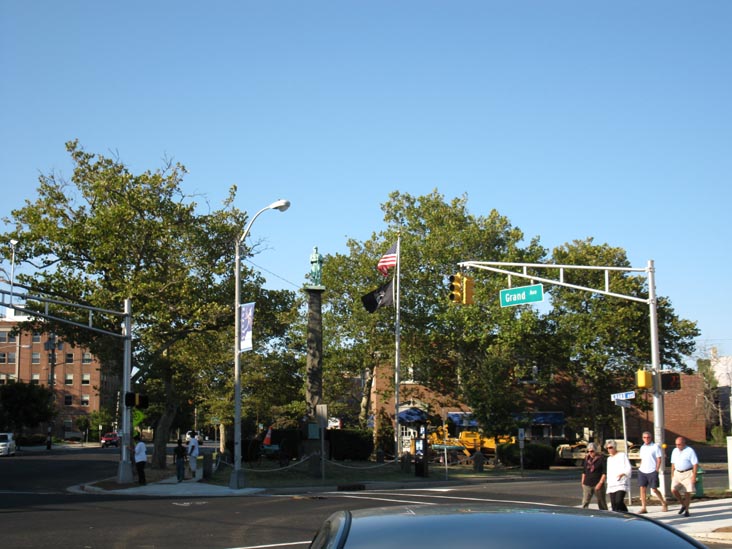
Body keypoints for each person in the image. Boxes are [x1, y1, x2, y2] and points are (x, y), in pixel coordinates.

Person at [637, 431, 668, 513]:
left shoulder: (655, 447)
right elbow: (642, 459)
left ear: (651, 438)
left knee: (654, 489)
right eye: (644, 437)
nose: (646, 439)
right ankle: (644, 507)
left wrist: (656, 469)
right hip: (642, 470)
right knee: (642, 488)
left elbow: (659, 459)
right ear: (642, 438)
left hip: (652, 470)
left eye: (648, 437)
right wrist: (640, 466)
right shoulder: (642, 447)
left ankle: (663, 503)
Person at [670, 436, 698, 517]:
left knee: (687, 492)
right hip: (677, 473)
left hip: (688, 472)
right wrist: (672, 474)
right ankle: (683, 504)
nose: (677, 446)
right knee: (673, 489)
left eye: (679, 444)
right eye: (676, 444)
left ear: (683, 443)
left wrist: (694, 476)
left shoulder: (690, 451)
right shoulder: (675, 451)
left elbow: (695, 464)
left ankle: (687, 510)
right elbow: (673, 463)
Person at [604, 440, 631, 512]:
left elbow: (628, 467)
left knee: (618, 501)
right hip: (612, 483)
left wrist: (623, 474)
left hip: (621, 482)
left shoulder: (622, 455)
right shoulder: (609, 459)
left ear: (615, 447)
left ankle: (626, 514)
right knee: (614, 505)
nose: (609, 449)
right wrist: (608, 482)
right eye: (607, 448)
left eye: (611, 447)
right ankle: (621, 516)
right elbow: (609, 471)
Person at [581, 442, 608, 510]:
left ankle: (604, 516)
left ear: (595, 450)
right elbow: (584, 471)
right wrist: (583, 482)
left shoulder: (601, 459)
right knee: (585, 502)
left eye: (592, 451)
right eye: (589, 451)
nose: (590, 453)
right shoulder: (587, 459)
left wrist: (600, 483)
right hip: (587, 484)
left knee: (601, 502)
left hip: (597, 484)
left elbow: (604, 472)